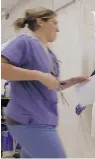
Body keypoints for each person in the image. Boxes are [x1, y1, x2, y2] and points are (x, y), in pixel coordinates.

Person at [1, 7, 88, 158]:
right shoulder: (25, 42)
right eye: (54, 22)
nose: (58, 28)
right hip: (30, 120)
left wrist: (74, 81)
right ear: (40, 22)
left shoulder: (50, 55)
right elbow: (2, 69)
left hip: (42, 120)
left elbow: (53, 85)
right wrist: (39, 75)